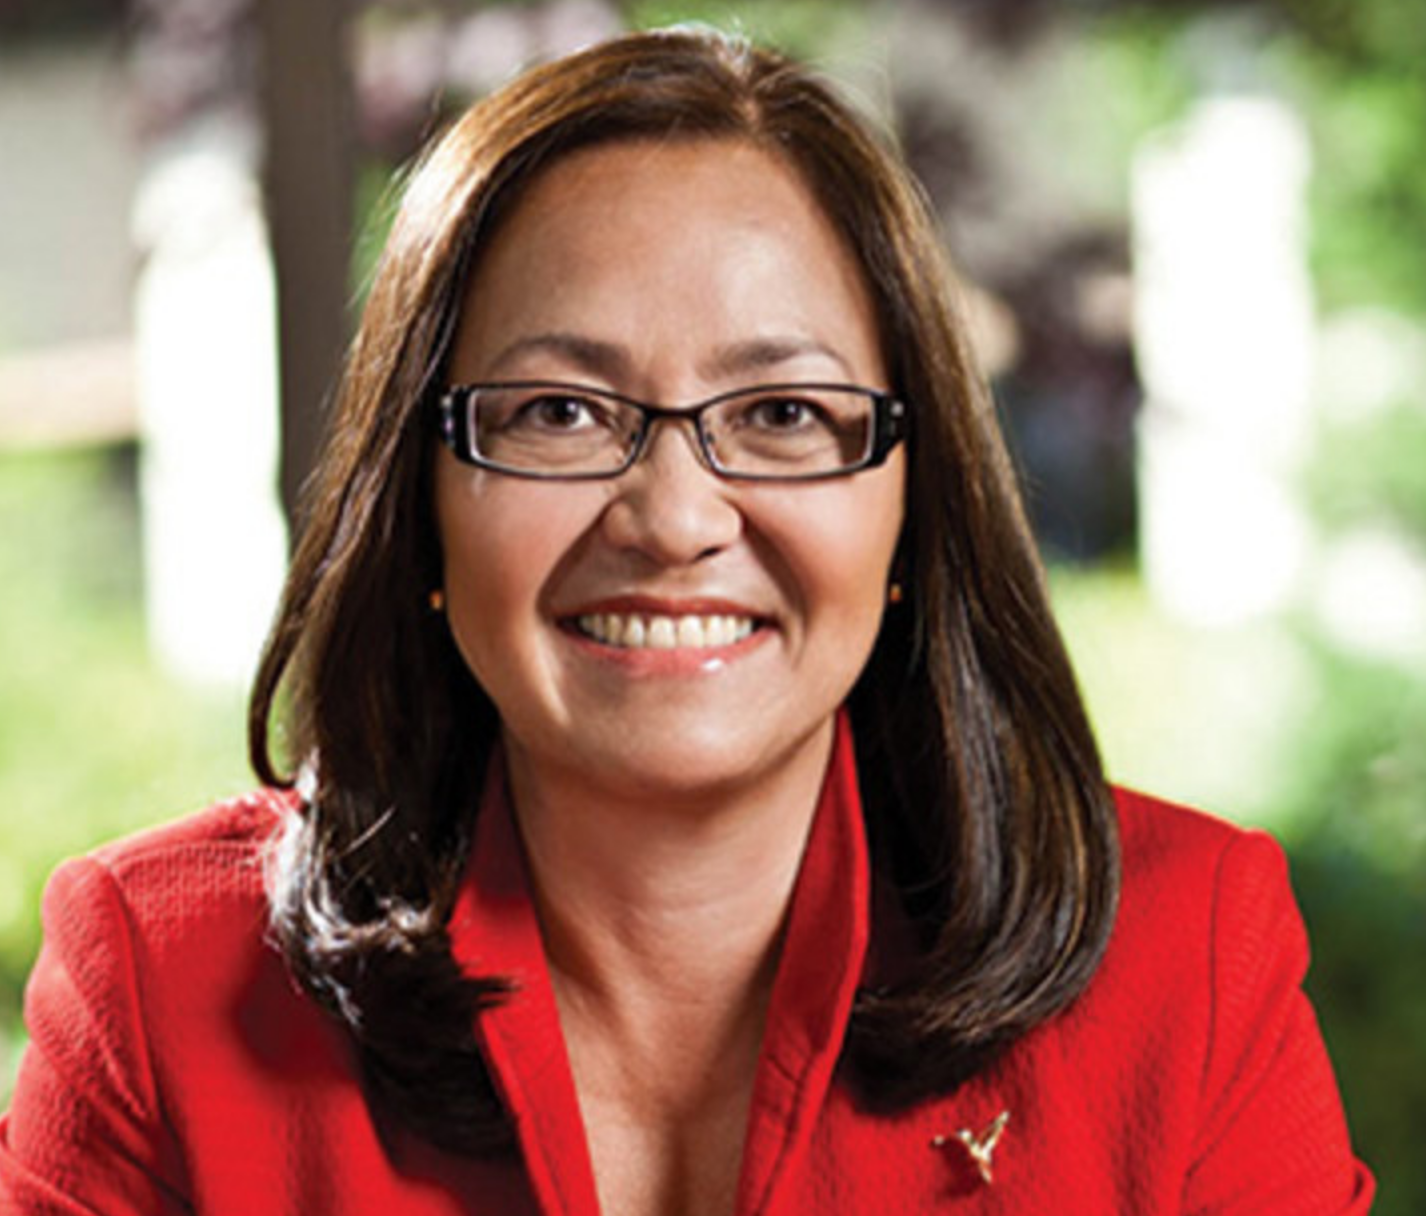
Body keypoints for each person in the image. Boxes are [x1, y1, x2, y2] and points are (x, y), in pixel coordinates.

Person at [0, 26, 1373, 1216]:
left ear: (914, 503)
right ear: (418, 497)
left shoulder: (1186, 963)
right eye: (558, 411)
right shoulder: (158, 982)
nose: (672, 517)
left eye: (783, 414)